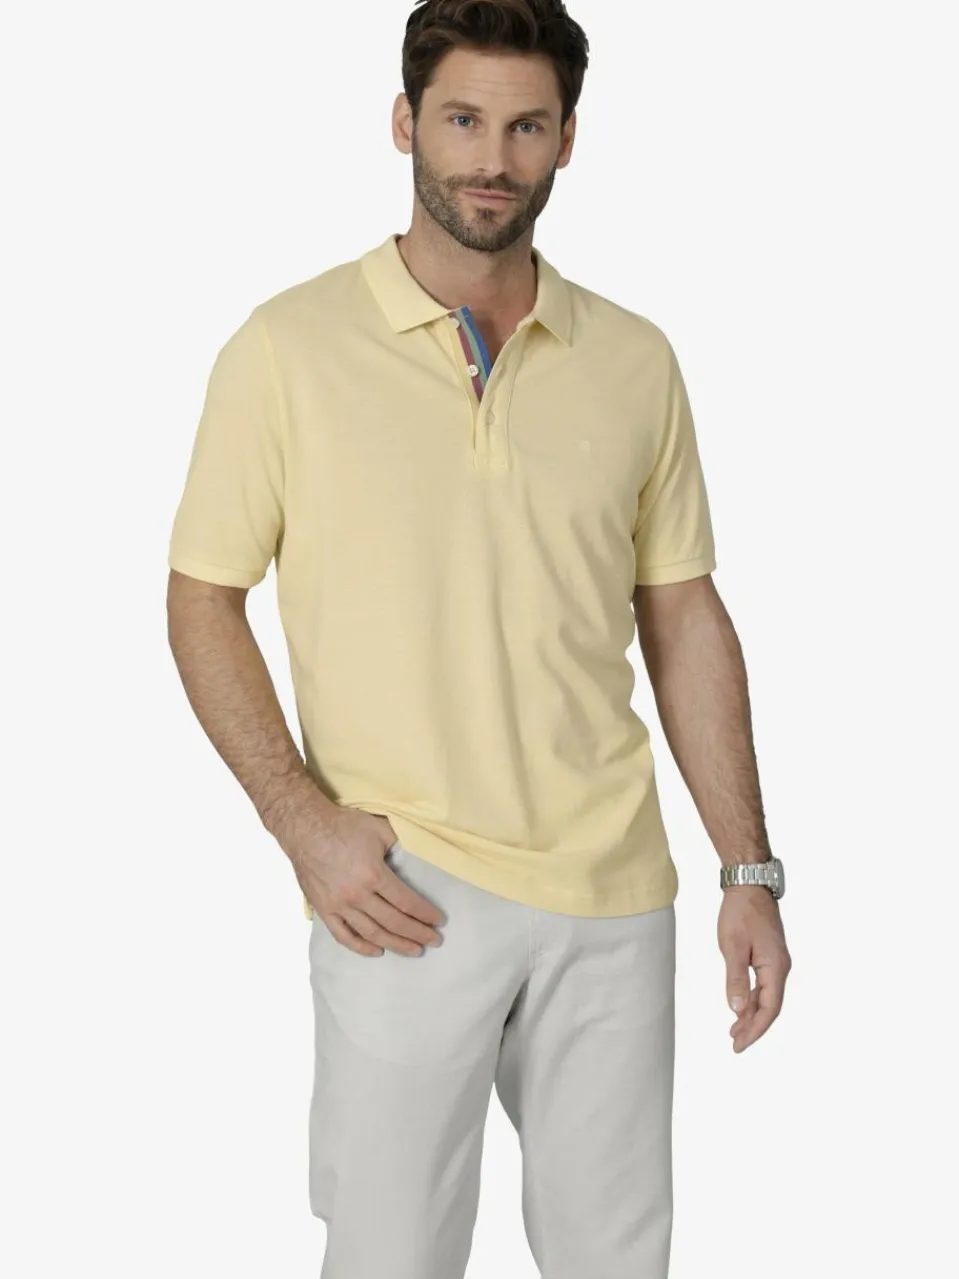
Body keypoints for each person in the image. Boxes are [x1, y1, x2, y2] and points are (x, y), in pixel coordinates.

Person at [166, 1, 792, 1274]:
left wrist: (747, 868)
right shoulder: (285, 348)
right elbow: (200, 598)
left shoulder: (634, 359)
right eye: (461, 120)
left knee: (617, 1261)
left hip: (614, 894)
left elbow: (681, 612)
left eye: (524, 127)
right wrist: (302, 823)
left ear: (567, 139)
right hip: (402, 889)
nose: (490, 159)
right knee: (390, 1256)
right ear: (404, 124)